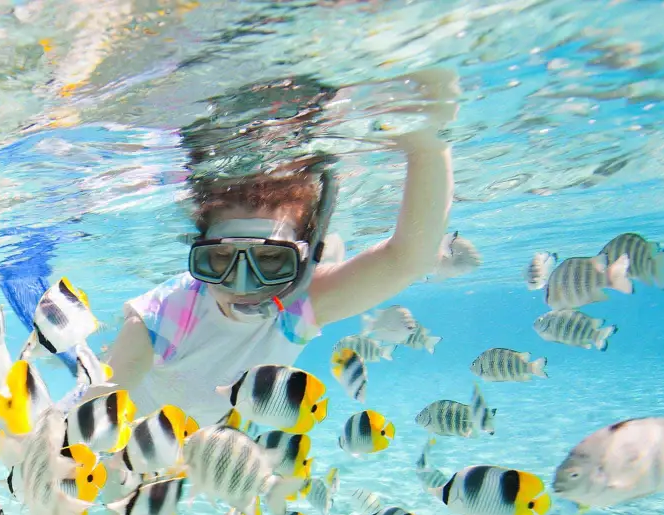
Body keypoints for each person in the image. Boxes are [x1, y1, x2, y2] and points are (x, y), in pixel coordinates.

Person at [105, 70, 458, 425]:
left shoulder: (297, 307)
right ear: (199, 253)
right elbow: (101, 404)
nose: (242, 285)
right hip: (131, 449)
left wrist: (428, 146)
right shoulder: (167, 313)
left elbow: (409, 258)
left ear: (303, 259)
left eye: (271, 260)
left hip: (194, 447)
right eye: (220, 261)